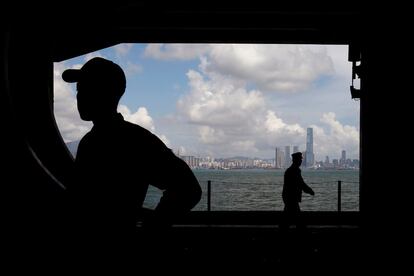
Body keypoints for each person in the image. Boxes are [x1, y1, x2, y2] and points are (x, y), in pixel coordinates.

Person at [62, 57, 202, 263]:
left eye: (87, 88)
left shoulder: (133, 142)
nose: (79, 96)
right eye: (78, 90)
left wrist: (150, 229)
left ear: (107, 93)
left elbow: (189, 189)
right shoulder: (99, 141)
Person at [281, 152, 314, 230]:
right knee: (297, 218)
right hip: (291, 197)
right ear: (296, 160)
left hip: (288, 197)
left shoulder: (290, 170)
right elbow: (301, 183)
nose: (301, 161)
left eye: (301, 159)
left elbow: (300, 184)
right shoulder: (294, 171)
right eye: (300, 159)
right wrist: (310, 191)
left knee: (287, 217)